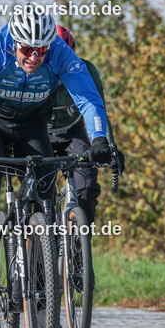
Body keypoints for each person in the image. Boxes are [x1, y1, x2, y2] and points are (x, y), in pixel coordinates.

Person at [0, 5, 112, 287]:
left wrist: (98, 139)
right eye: (26, 50)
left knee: (44, 189)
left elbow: (88, 98)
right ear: (13, 43)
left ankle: (40, 286)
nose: (34, 58)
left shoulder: (59, 51)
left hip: (32, 123)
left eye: (42, 51)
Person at [47, 25, 123, 224]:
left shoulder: (86, 70)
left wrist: (108, 147)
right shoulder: (34, 69)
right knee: (39, 194)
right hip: (39, 133)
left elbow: (99, 112)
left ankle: (79, 247)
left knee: (87, 188)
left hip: (72, 132)